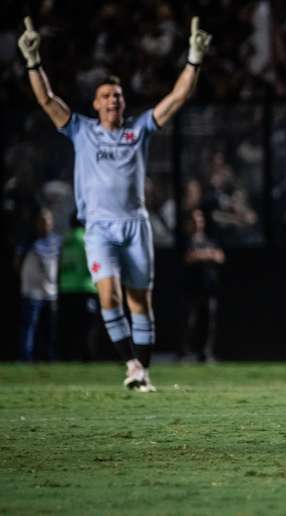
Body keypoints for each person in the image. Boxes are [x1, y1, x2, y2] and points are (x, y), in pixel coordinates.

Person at [18, 16, 211, 390]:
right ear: (96, 104)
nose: (112, 100)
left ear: (123, 104)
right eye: (106, 96)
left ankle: (143, 370)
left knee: (140, 302)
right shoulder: (81, 130)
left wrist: (193, 59)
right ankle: (131, 365)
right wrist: (32, 61)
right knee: (108, 294)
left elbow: (176, 99)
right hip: (99, 227)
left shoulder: (137, 130)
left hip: (135, 225)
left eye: (117, 96)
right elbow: (45, 99)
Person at [16, 207, 61, 361]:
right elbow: (17, 262)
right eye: (42, 221)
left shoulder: (56, 241)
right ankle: (26, 357)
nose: (45, 224)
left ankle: (49, 357)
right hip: (32, 292)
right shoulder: (28, 242)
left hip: (51, 292)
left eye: (47, 221)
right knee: (30, 327)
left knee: (49, 329)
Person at [180, 209, 224, 362]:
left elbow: (220, 256)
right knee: (190, 321)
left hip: (209, 287)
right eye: (194, 220)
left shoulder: (209, 239)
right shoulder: (185, 240)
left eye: (200, 220)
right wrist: (207, 255)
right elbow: (189, 257)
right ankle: (185, 353)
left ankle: (206, 352)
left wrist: (205, 254)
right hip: (192, 287)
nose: (198, 223)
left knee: (210, 321)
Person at [58, 212, 101, 361]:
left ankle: (68, 356)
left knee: (70, 327)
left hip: (66, 288)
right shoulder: (86, 239)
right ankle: (87, 358)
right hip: (85, 288)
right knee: (88, 328)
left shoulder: (64, 240)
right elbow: (94, 265)